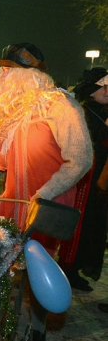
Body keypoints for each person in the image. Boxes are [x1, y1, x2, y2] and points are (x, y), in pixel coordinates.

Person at [0, 43, 93, 341]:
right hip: (13, 202)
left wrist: (44, 194)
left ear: (31, 74)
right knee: (2, 264)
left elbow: (80, 159)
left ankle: (37, 329)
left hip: (46, 207)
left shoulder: (61, 106)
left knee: (38, 269)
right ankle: (0, 320)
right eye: (2, 68)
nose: (2, 74)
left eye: (9, 68)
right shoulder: (9, 112)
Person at [58, 68, 108, 291]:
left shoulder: (102, 111)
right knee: (81, 222)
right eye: (103, 86)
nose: (107, 91)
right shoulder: (83, 112)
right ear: (92, 90)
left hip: (101, 178)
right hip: (86, 178)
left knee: (94, 224)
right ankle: (68, 268)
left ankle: (77, 267)